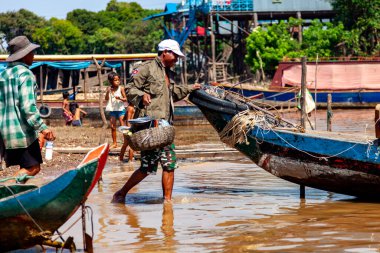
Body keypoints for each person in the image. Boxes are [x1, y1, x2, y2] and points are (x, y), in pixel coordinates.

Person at [112, 39, 201, 203]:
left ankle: (167, 202)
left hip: (165, 129)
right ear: (165, 52)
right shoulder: (146, 69)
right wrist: (141, 96)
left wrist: (191, 88)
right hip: (150, 128)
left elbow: (172, 94)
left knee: (169, 164)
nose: (176, 59)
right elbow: (130, 88)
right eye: (175, 55)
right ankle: (121, 193)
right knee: (147, 168)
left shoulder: (168, 74)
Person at [0, 35, 55, 181]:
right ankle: (9, 190)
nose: (33, 55)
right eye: (31, 53)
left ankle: (16, 197)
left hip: (4, 132)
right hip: (21, 132)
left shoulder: (3, 75)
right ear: (25, 55)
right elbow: (27, 107)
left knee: (24, 167)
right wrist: (42, 127)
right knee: (33, 167)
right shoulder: (26, 74)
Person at [105, 72, 127, 148]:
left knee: (123, 126)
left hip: (121, 110)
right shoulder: (109, 89)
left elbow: (125, 99)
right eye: (115, 80)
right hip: (113, 110)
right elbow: (106, 99)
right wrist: (108, 92)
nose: (118, 81)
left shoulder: (121, 88)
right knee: (112, 126)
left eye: (118, 80)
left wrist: (120, 98)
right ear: (111, 81)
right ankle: (114, 143)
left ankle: (126, 142)